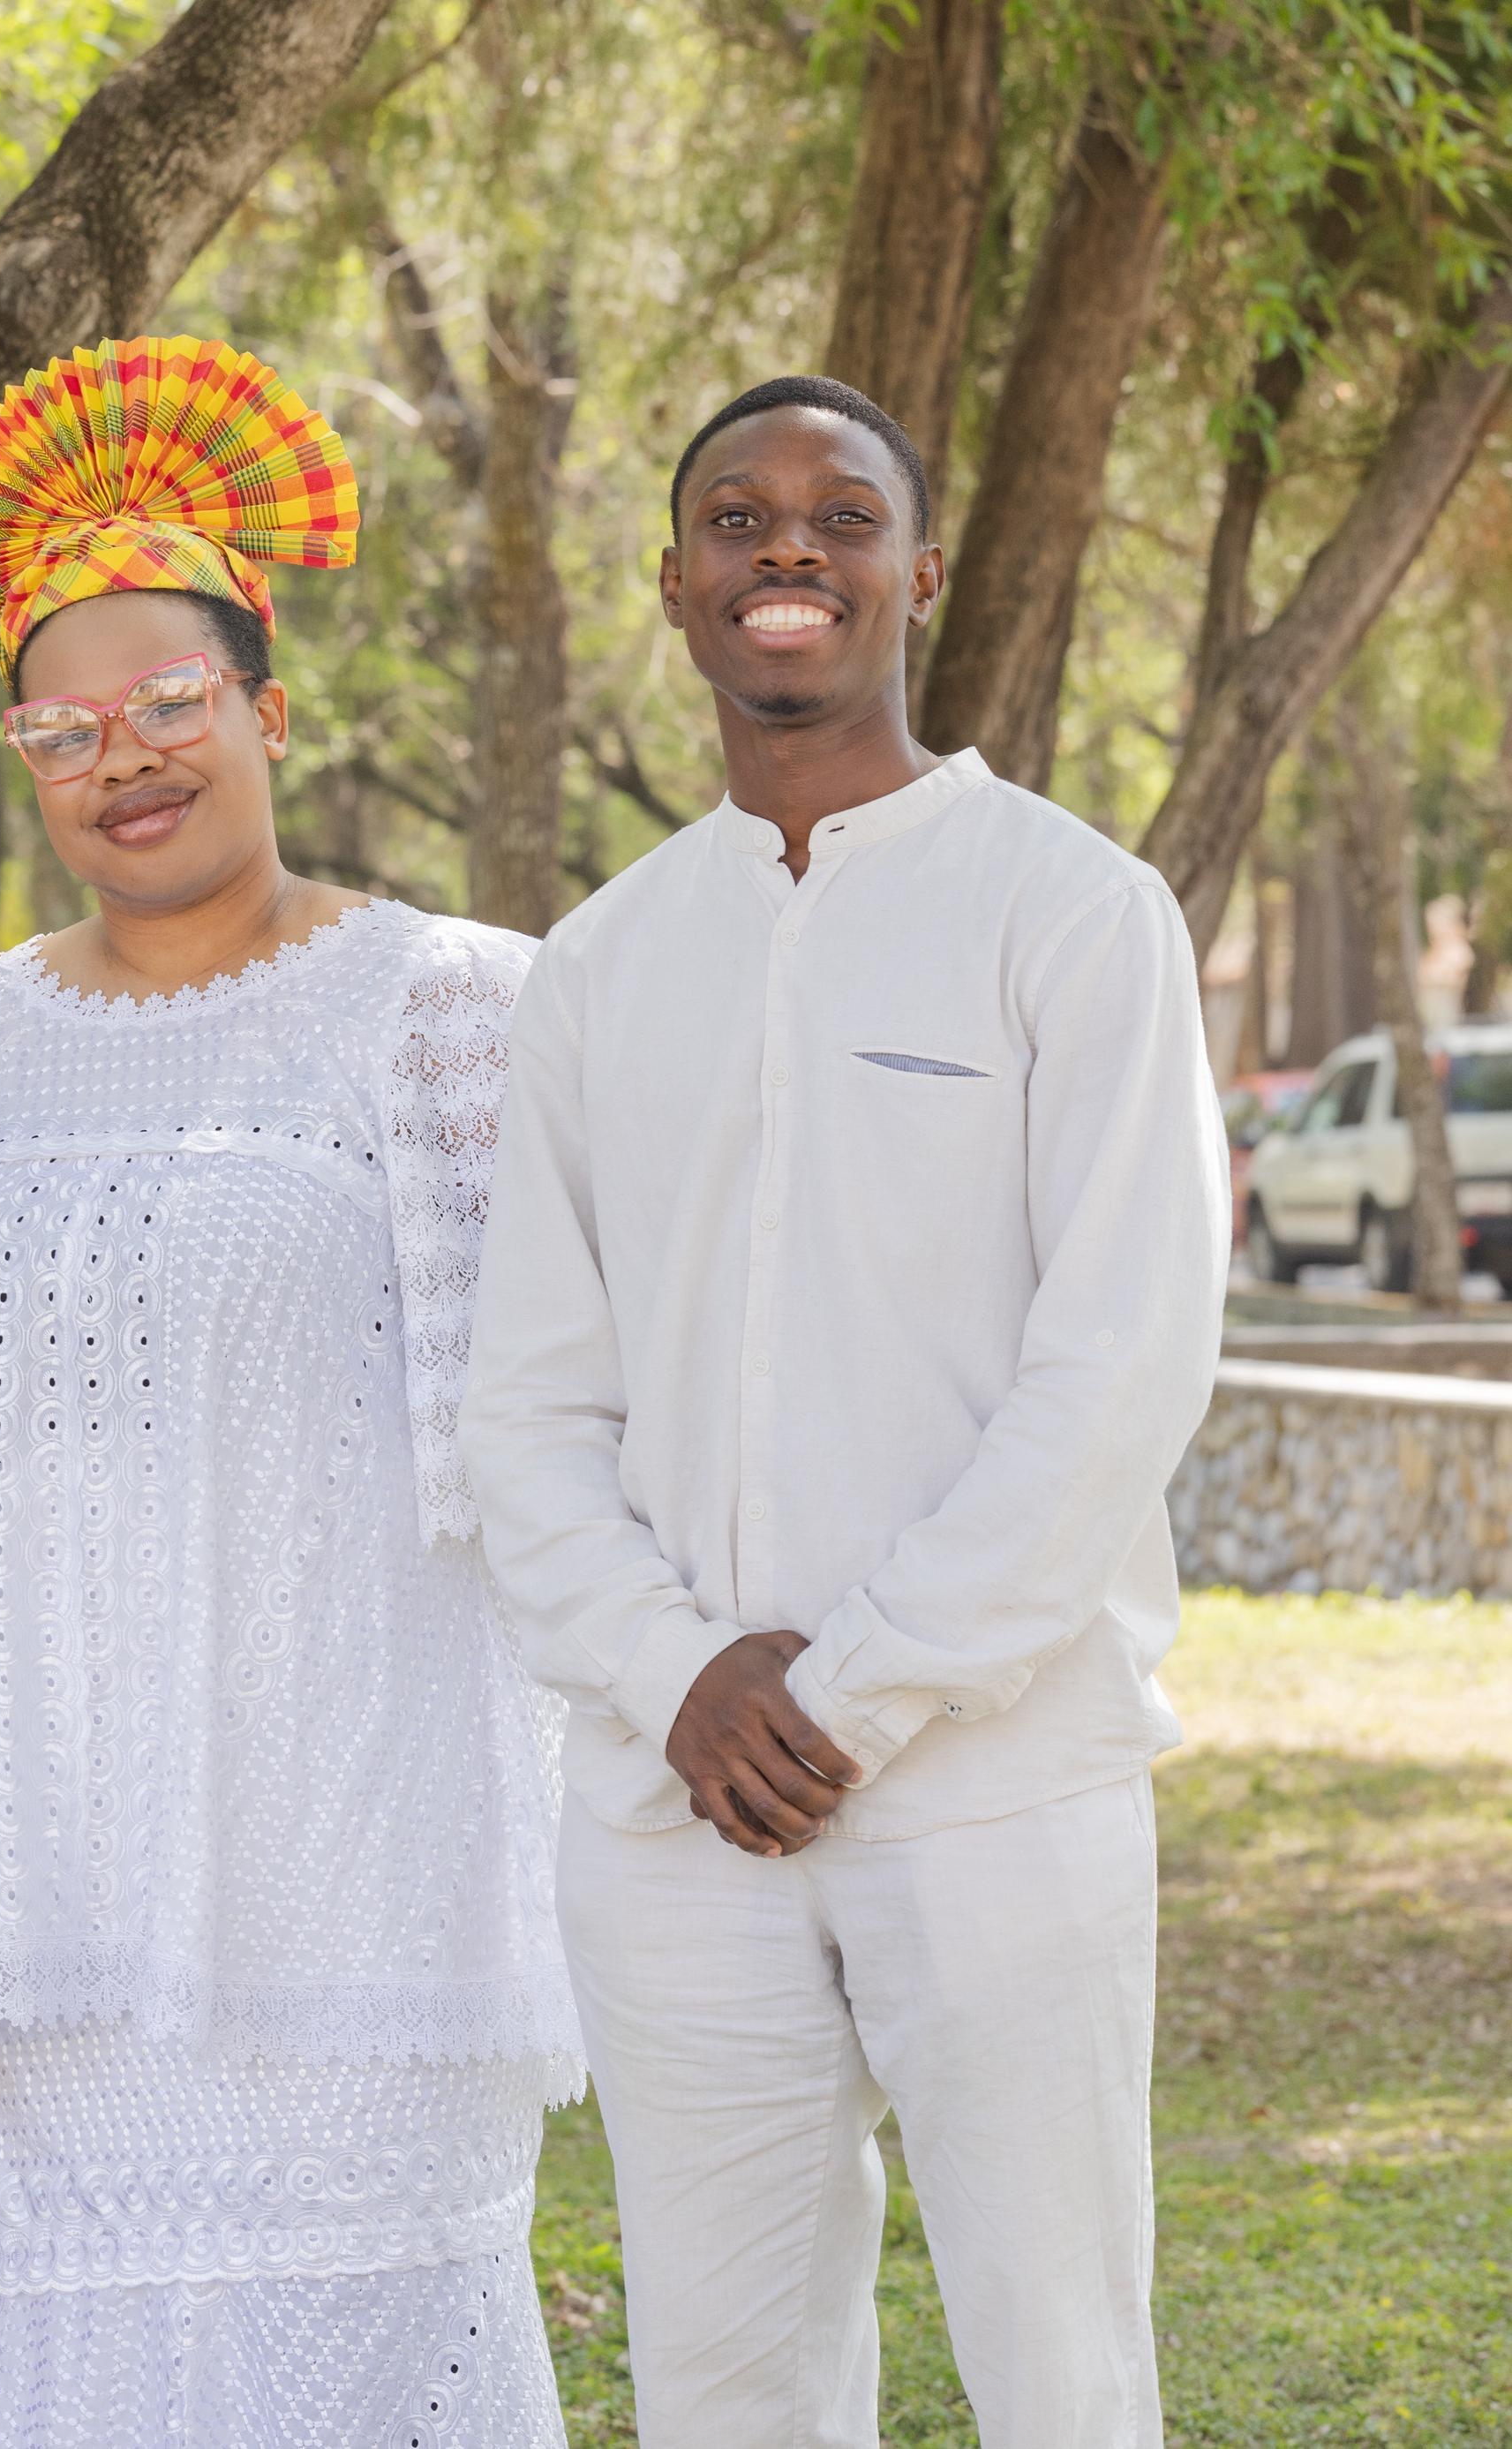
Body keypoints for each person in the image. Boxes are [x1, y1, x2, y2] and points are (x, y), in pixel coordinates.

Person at [0, 333, 576, 2448]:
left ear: (267, 708)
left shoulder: (453, 1011)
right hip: (44, 1906)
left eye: (169, 703)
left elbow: (581, 1420)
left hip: (351, 1889)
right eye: (63, 729)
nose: (122, 760)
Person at [461, 375, 1229, 2449]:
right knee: (725, 2387)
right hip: (677, 1807)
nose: (785, 546)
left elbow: (1122, 1363)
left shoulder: (1072, 911)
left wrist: (851, 1690)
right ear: (675, 583)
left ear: (920, 571)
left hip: (997, 1782)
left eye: (839, 514)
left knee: (1057, 2370)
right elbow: (527, 1403)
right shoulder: (602, 966)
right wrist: (679, 1675)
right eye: (736, 516)